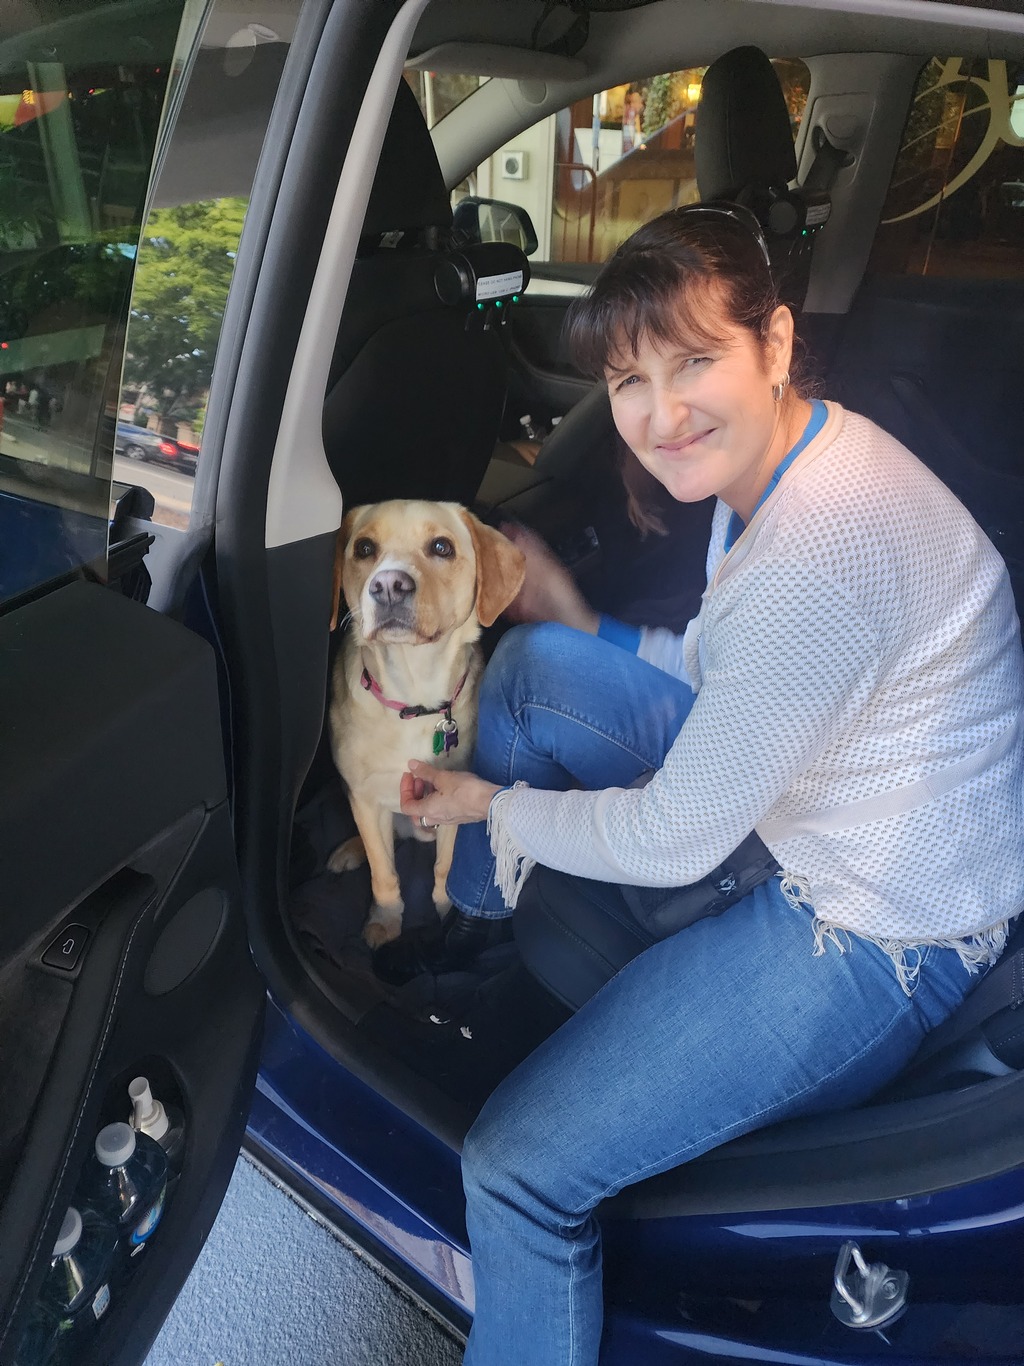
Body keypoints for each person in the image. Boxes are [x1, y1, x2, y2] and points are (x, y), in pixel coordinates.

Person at [385, 203, 1024, 1365]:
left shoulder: (820, 550)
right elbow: (729, 680)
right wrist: (580, 619)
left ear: (774, 343)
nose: (660, 416)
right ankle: (469, 945)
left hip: (880, 923)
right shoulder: (794, 460)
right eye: (629, 382)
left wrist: (497, 807)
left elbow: (677, 836)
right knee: (529, 671)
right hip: (833, 789)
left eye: (695, 362)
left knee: (519, 1170)